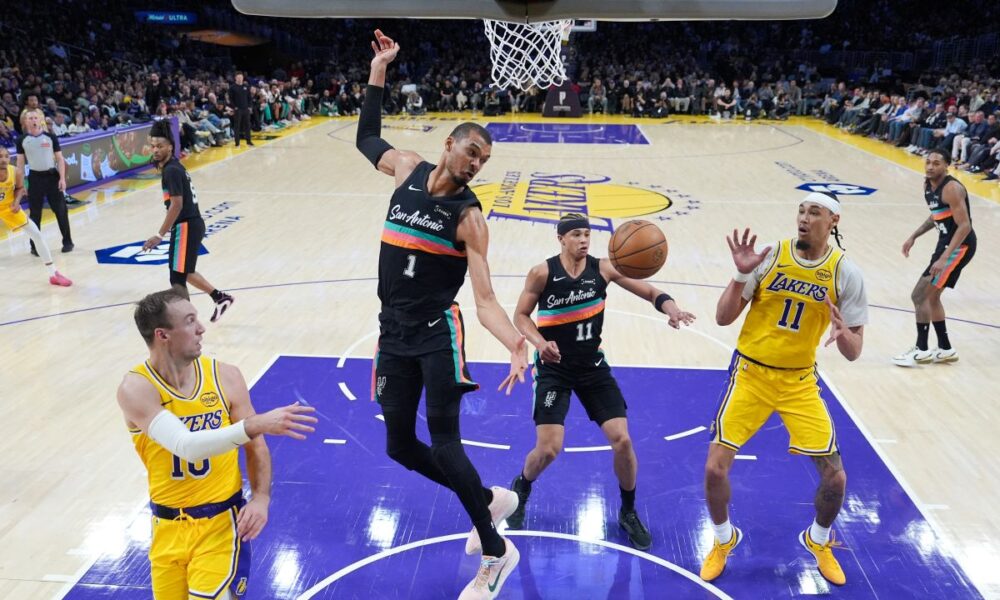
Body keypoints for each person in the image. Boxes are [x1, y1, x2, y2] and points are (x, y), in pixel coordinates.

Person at [356, 29, 528, 600]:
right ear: (449, 144)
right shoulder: (406, 168)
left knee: (446, 442)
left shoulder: (470, 219)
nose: (477, 164)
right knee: (399, 445)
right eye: (472, 152)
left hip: (437, 333)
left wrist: (515, 343)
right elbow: (366, 137)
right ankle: (487, 500)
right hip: (392, 331)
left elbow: (484, 300)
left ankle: (497, 552)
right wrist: (380, 68)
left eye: (484, 160)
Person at [701, 192, 867, 587]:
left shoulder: (846, 273)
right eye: (802, 211)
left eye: (815, 212)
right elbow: (723, 318)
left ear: (834, 220)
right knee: (714, 468)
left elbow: (854, 351)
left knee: (835, 478)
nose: (805, 218)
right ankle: (723, 539)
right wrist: (740, 275)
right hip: (750, 375)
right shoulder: (770, 256)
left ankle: (819, 540)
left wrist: (843, 333)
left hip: (799, 382)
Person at [505, 214, 695, 550]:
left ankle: (628, 511)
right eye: (576, 235)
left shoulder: (604, 269)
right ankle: (522, 485)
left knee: (622, 440)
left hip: (593, 367)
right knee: (549, 449)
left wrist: (672, 309)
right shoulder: (542, 273)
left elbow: (651, 291)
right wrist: (539, 342)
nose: (583, 240)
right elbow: (521, 315)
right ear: (561, 238)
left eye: (587, 234)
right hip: (554, 370)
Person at [117, 289, 318, 599]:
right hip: (166, 528)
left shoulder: (225, 377)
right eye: (189, 321)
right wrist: (255, 424)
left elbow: (256, 446)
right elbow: (187, 446)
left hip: (221, 525)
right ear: (162, 335)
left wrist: (261, 497)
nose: (201, 328)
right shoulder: (137, 388)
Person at [143, 120, 235, 322]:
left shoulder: (171, 170)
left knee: (176, 277)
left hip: (186, 225)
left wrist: (159, 235)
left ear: (170, 146)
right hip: (192, 224)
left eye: (160, 146)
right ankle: (220, 298)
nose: (155, 150)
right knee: (184, 271)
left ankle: (188, 322)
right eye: (153, 146)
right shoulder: (174, 167)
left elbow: (176, 205)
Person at [893, 149, 976, 366]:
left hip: (959, 245)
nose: (930, 166)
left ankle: (921, 350)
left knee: (919, 295)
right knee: (931, 296)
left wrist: (944, 258)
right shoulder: (928, 185)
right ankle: (946, 349)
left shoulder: (952, 188)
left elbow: (965, 226)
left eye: (936, 163)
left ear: (946, 166)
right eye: (928, 162)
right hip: (946, 244)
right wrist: (914, 235)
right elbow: (936, 214)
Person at [0, 146, 72, 286]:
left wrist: (16, 202)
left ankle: (53, 274)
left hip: (8, 208)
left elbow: (19, 188)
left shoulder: (16, 172)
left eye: (6, 156)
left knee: (37, 235)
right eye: (0, 156)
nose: (3, 159)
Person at [15, 109, 74, 254]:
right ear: (25, 121)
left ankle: (68, 242)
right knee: (35, 214)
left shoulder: (50, 137)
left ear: (40, 119)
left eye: (36, 117)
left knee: (61, 210)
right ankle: (35, 247)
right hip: (35, 178)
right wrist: (21, 184)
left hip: (52, 177)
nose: (33, 120)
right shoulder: (22, 140)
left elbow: (60, 159)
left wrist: (62, 178)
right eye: (30, 118)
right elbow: (20, 164)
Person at [227, 72, 254, 148]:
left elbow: (249, 97)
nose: (240, 79)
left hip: (246, 109)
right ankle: (237, 143)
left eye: (241, 77)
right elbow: (230, 99)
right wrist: (234, 107)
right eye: (238, 77)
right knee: (237, 126)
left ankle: (249, 142)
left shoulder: (246, 86)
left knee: (247, 126)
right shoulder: (232, 87)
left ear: (243, 78)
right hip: (238, 109)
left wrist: (249, 106)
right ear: (235, 78)